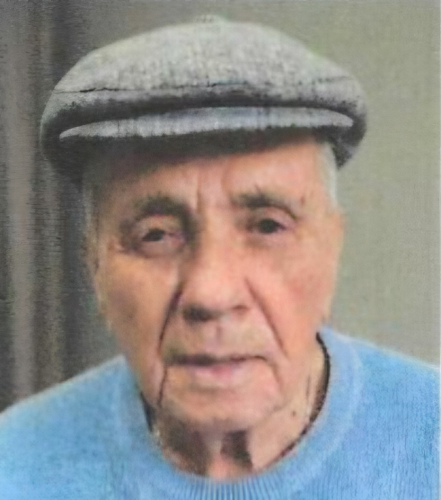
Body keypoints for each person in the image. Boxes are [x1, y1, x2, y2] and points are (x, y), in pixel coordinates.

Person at [0, 15, 438, 499]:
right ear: (95, 267)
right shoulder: (16, 464)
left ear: (331, 248)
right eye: (155, 235)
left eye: (268, 226)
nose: (211, 293)